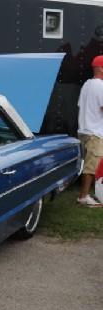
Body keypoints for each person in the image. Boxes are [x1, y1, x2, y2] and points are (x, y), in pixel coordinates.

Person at [76, 55, 103, 207]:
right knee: (91, 167)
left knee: (86, 164)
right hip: (95, 132)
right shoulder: (100, 86)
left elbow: (82, 105)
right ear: (101, 68)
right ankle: (83, 196)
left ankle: (90, 194)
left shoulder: (86, 84)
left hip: (84, 129)